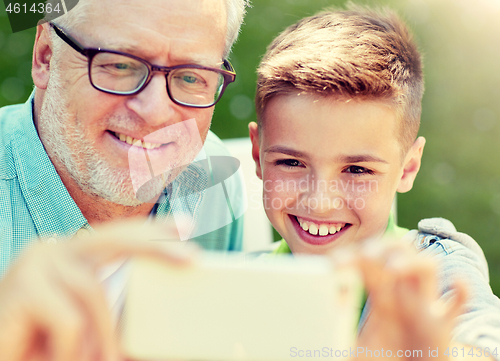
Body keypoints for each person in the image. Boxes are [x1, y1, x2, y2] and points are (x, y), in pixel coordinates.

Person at [0, 0, 249, 360]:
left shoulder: (212, 180)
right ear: (45, 56)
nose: (155, 112)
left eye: (191, 76)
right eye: (120, 64)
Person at [248, 5, 500, 359]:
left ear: (408, 168)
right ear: (258, 156)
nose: (320, 202)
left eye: (357, 170)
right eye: (291, 162)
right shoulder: (242, 281)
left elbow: (484, 346)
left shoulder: (431, 269)